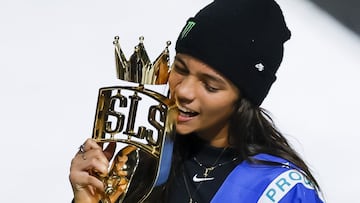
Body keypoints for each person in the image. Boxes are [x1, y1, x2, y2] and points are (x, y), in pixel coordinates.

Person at [69, 0, 324, 202]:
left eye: (210, 85)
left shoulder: (282, 192)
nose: (184, 91)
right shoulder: (138, 159)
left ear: (245, 99)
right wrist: (85, 198)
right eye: (180, 69)